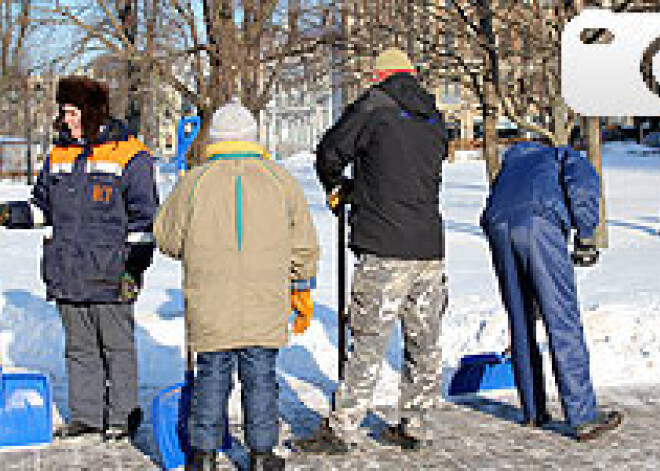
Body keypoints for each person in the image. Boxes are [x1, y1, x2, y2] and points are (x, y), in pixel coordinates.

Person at [295, 48, 449, 454]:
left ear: (379, 75)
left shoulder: (374, 105)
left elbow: (330, 151)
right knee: (423, 341)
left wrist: (338, 185)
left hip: (385, 246)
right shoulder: (433, 115)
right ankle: (414, 424)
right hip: (429, 247)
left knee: (367, 341)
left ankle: (343, 427)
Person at [153, 101, 319, 471]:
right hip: (265, 301)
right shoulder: (280, 180)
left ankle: (205, 455)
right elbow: (304, 242)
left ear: (215, 139)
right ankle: (261, 455)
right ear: (252, 137)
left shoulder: (194, 182)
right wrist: (302, 285)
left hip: (211, 302)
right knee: (261, 378)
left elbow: (166, 238)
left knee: (211, 377)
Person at [0, 76, 158, 441]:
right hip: (68, 271)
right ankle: (86, 417)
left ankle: (123, 417)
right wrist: (9, 214)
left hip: (112, 273)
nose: (66, 118)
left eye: (72, 111)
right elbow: (42, 208)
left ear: (91, 111)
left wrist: (134, 268)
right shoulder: (59, 154)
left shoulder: (131, 155)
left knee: (117, 348)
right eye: (64, 111)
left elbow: (144, 220)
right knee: (79, 348)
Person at [480, 141, 623, 441]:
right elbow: (584, 184)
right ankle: (583, 416)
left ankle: (533, 410)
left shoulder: (511, 165)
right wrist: (585, 235)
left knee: (520, 319)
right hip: (538, 222)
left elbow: (495, 201)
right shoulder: (562, 155)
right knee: (561, 317)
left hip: (497, 224)